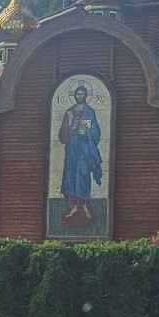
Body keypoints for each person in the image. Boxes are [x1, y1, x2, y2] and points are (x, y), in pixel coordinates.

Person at [58, 84, 104, 221]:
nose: (80, 96)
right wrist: (72, 125)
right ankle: (73, 206)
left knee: (83, 174)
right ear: (75, 96)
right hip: (72, 148)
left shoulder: (90, 112)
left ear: (85, 96)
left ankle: (84, 205)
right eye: (77, 94)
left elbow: (96, 132)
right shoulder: (69, 112)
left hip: (85, 147)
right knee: (71, 174)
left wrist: (87, 131)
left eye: (82, 94)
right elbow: (62, 135)